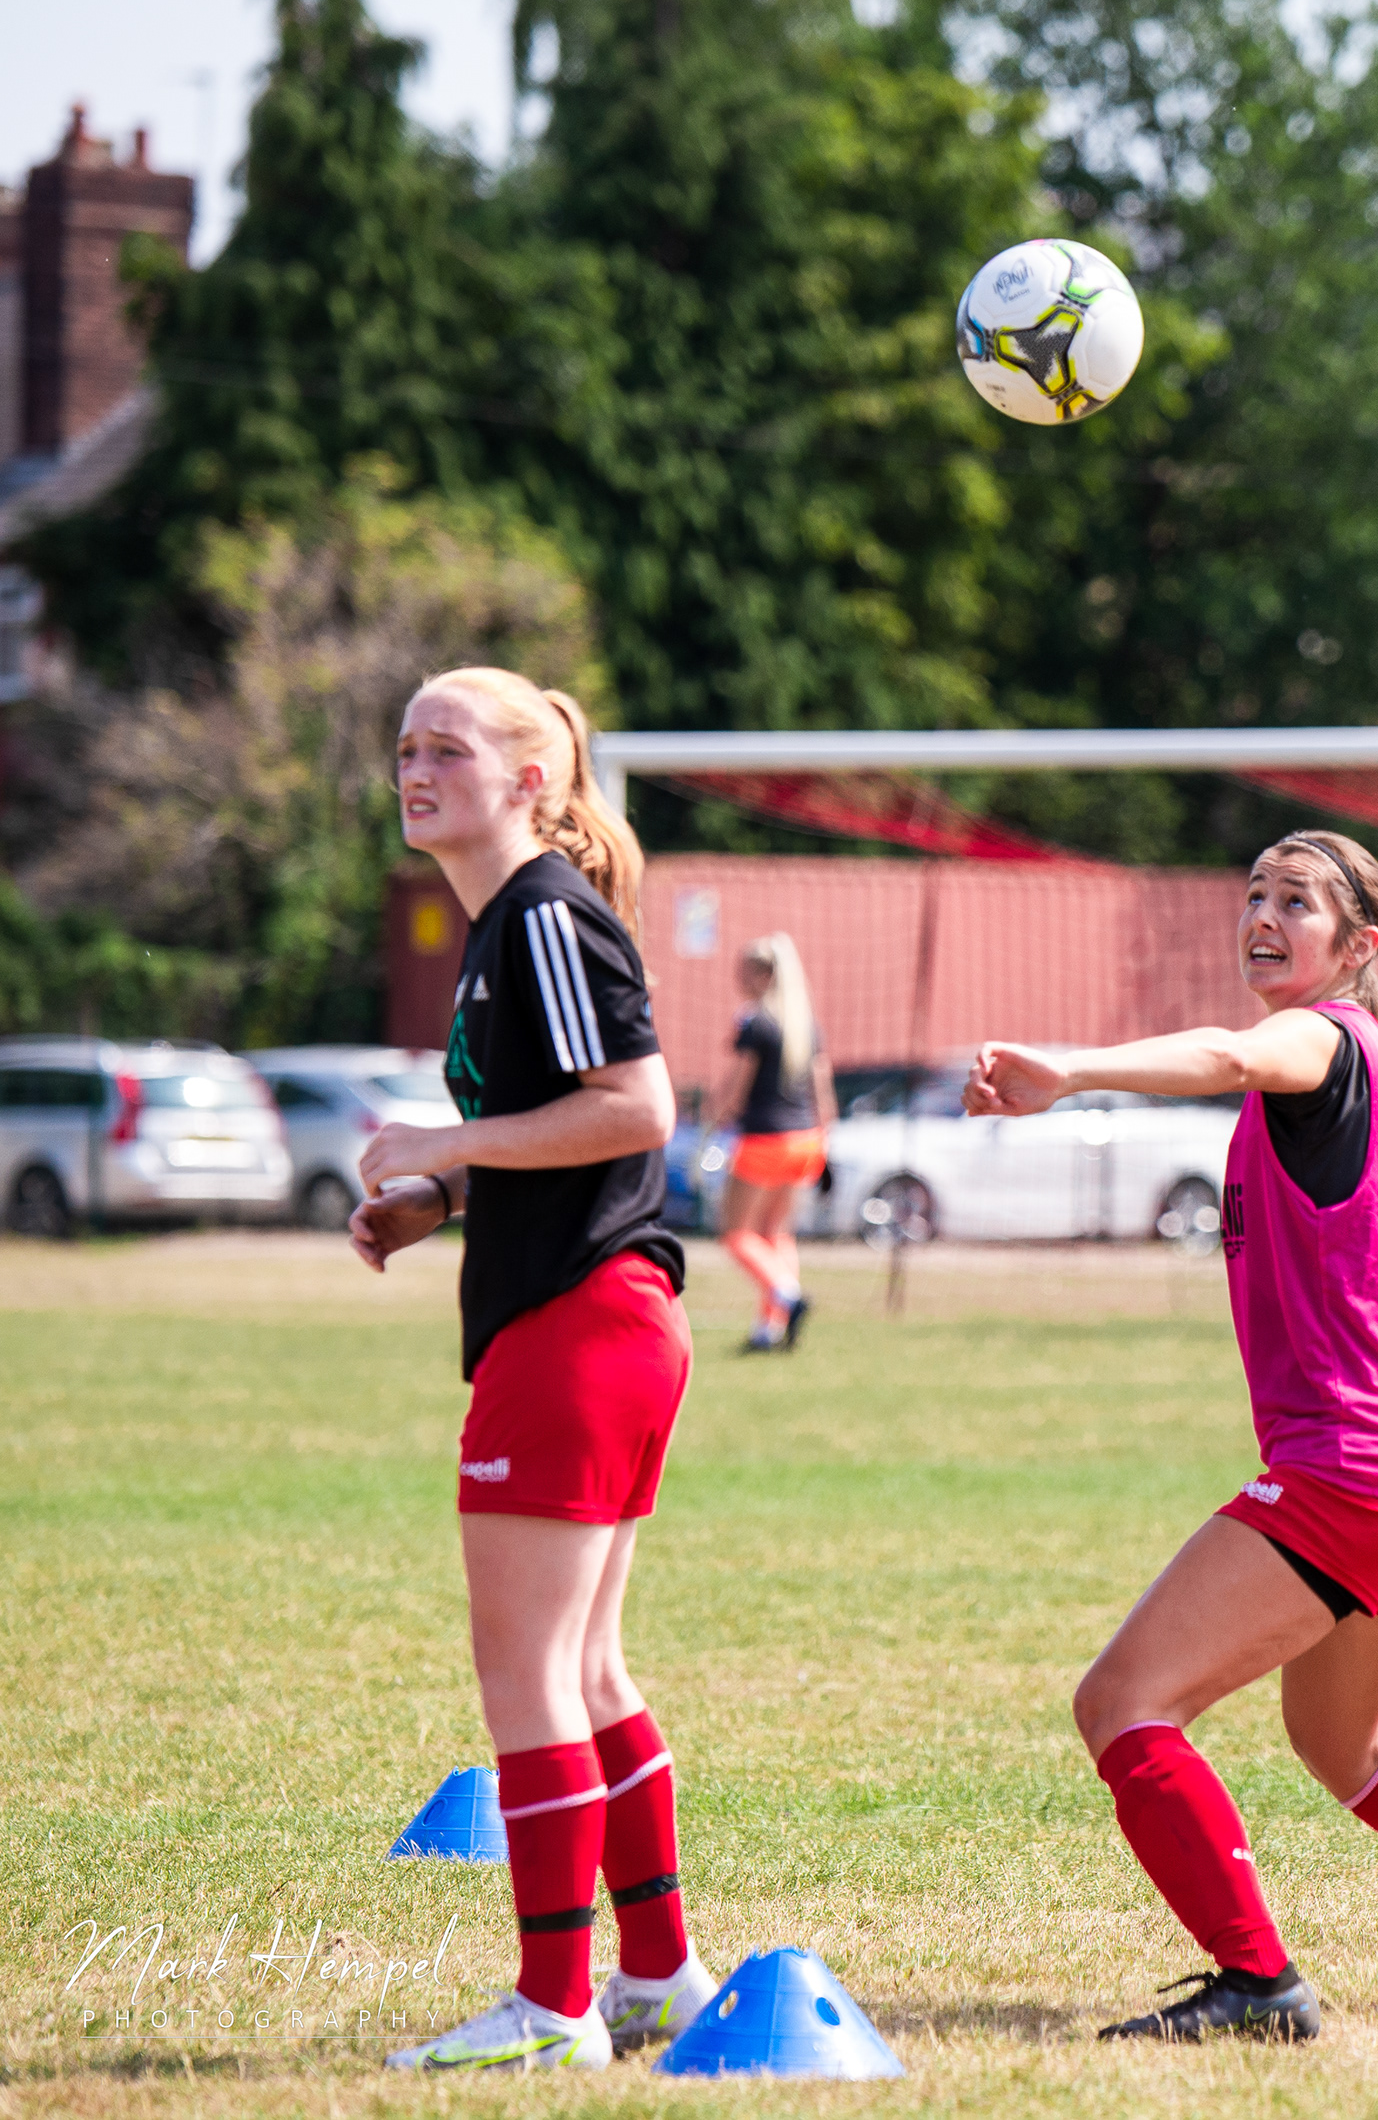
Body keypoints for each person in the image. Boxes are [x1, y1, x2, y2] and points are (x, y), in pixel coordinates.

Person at [963, 831, 1378, 2042]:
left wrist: (1071, 1069)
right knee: (1338, 1739)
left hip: (1356, 1466)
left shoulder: (1323, 1039)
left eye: (1298, 900)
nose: (1264, 914)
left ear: (1359, 944)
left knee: (1123, 1701)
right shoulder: (1344, 1073)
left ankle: (1258, 1983)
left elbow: (1227, 1052)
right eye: (1255, 893)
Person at [349, 666, 718, 2072]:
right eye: (405, 745)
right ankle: (656, 1977)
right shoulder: (503, 925)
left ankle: (554, 2007)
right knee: (589, 1667)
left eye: (446, 747)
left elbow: (635, 1106)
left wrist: (444, 1145)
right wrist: (436, 1198)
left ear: (531, 781)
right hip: (599, 1318)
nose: (415, 767)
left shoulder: (543, 915)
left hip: (580, 1325)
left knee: (528, 1675)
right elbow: (556, 1129)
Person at [705, 933, 836, 1350]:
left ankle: (787, 1295)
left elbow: (736, 1089)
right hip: (806, 1141)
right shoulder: (805, 1023)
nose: (739, 977)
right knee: (776, 1232)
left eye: (746, 970)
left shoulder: (756, 1023)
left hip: (765, 1139)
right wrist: (825, 1139)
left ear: (765, 974)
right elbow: (823, 1092)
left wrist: (713, 1120)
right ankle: (769, 1328)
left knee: (736, 1233)